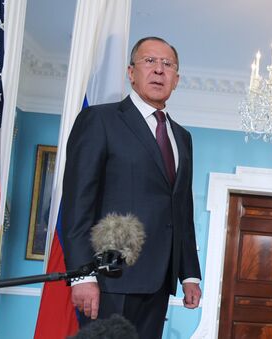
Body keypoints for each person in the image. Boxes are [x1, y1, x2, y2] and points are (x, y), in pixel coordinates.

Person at [61, 36, 202, 339]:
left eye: (167, 64)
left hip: (159, 281)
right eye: (149, 61)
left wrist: (189, 274)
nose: (159, 70)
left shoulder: (182, 137)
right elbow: (77, 204)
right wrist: (81, 275)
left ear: (176, 79)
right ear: (131, 72)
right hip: (110, 278)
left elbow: (181, 210)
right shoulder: (100, 120)